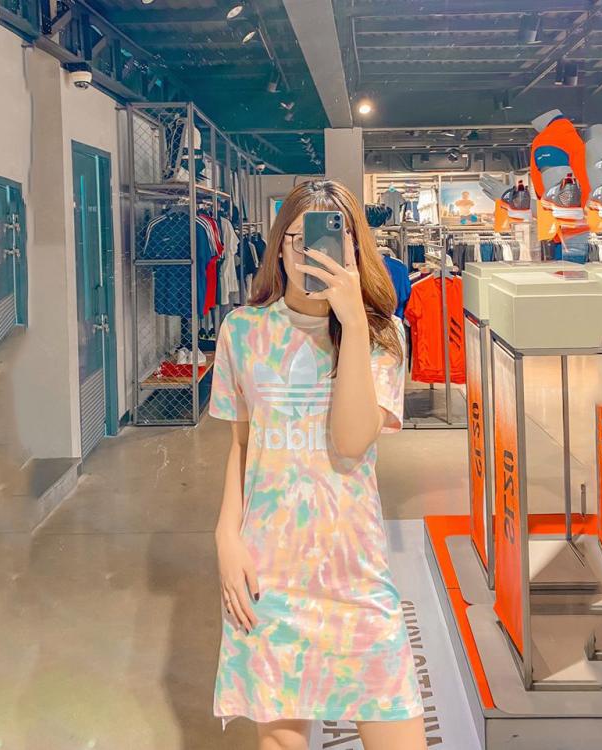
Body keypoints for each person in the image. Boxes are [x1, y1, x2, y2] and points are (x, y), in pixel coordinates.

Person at [210, 179, 427, 750]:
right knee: (280, 740)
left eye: (332, 240)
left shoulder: (382, 335)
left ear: (354, 249)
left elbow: (351, 442)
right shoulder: (242, 331)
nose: (313, 253)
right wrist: (226, 536)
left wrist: (352, 322)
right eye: (299, 240)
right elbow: (241, 444)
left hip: (355, 573)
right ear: (280, 248)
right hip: (270, 572)